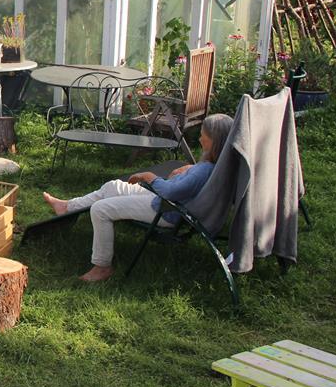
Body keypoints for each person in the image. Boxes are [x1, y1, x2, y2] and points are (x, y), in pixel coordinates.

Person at [42, 113, 234, 282]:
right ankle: (67, 206)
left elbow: (169, 192)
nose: (200, 137)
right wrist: (190, 169)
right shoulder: (216, 166)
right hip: (167, 201)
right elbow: (192, 182)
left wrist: (150, 177)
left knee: (100, 210)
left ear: (215, 140)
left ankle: (102, 267)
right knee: (112, 187)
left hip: (167, 210)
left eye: (204, 134)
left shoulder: (204, 171)